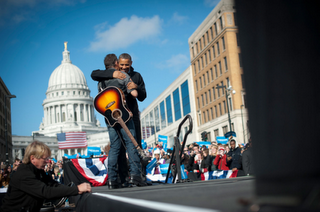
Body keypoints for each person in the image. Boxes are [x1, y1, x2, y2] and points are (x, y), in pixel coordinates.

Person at [91, 54, 145, 189]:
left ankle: (112, 179)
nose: (124, 67)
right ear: (116, 63)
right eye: (121, 64)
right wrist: (132, 87)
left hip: (111, 119)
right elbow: (135, 95)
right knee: (131, 144)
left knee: (114, 147)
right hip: (125, 116)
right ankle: (135, 175)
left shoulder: (101, 81)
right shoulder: (123, 76)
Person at [1, 140, 91, 212]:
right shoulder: (24, 174)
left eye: (48, 158)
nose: (48, 161)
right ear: (33, 158)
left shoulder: (38, 171)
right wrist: (77, 189)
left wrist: (73, 189)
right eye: (45, 158)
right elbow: (45, 191)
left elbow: (53, 184)